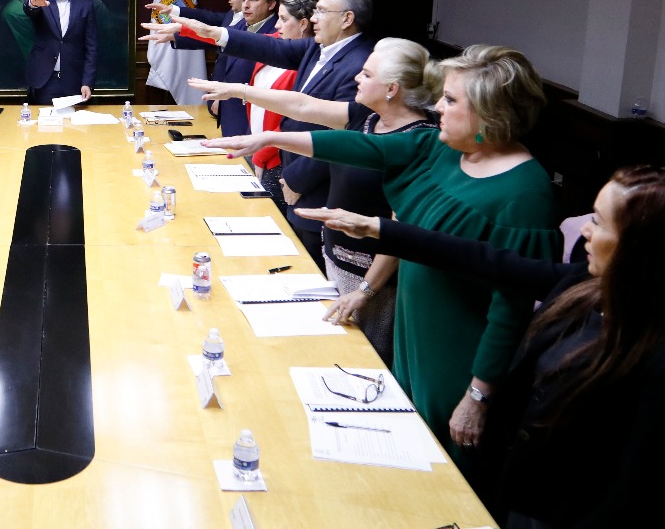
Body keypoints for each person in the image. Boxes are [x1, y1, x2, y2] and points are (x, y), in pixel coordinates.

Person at [202, 45, 561, 472]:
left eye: (450, 100)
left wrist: (478, 394)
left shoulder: (526, 192)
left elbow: (512, 308)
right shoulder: (444, 149)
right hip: (413, 328)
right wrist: (272, 136)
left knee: (446, 464)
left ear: (489, 112)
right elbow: (366, 148)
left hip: (458, 351)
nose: (436, 107)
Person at [297, 164, 665, 529]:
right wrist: (379, 229)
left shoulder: (653, 352)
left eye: (599, 222)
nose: (584, 228)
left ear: (640, 246)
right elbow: (491, 262)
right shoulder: (585, 284)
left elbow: (628, 490)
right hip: (523, 492)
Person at [193, 36, 441, 366]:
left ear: (392, 88)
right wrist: (239, 90)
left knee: (366, 364)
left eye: (366, 75)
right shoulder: (365, 117)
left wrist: (365, 291)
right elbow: (302, 105)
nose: (356, 77)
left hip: (377, 283)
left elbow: (400, 227)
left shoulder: (418, 141)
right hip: (336, 262)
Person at [142, 0, 375, 259]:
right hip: (295, 175)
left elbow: (344, 135)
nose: (313, 17)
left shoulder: (360, 63)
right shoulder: (320, 47)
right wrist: (212, 32)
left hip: (319, 188)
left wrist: (296, 179)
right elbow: (270, 48)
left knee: (311, 266)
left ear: (347, 19)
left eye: (322, 11)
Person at [154, 0, 278, 136]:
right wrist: (180, 34)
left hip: (252, 119)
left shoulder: (277, 35)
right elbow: (215, 37)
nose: (246, 5)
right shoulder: (242, 24)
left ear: (271, 4)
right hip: (231, 116)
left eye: (253, 0)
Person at [245, 0, 317, 210]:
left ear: (303, 24)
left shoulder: (305, 65)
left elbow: (292, 123)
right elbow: (232, 37)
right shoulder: (274, 44)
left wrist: (261, 154)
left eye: (284, 19)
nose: (276, 25)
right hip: (256, 146)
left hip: (276, 158)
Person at [23, 0, 97, 104]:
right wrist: (32, 4)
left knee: (74, 126)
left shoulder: (86, 5)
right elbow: (29, 8)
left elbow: (91, 48)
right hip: (44, 81)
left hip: (75, 81)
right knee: (43, 126)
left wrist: (87, 82)